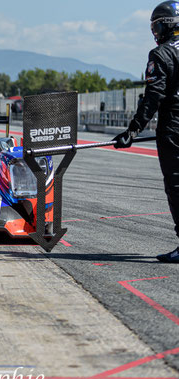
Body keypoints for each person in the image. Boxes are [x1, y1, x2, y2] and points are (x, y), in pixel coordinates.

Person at [114, 0, 179, 262]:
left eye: (155, 26)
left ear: (165, 25)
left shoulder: (161, 54)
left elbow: (154, 96)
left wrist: (133, 130)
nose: (154, 32)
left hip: (174, 126)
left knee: (176, 185)